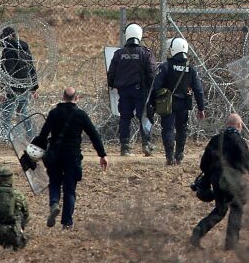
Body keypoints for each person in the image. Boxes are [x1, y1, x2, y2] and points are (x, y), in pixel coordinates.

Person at [29, 87, 108, 230]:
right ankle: (67, 223)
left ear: (63, 97)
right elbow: (93, 135)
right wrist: (102, 155)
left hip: (55, 155)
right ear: (76, 98)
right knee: (70, 190)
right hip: (72, 156)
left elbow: (43, 135)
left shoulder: (54, 113)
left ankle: (54, 203)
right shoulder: (81, 115)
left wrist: (34, 153)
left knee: (54, 183)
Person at [191, 113, 249, 251]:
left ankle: (198, 231)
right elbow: (248, 162)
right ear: (239, 125)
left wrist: (211, 176)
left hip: (216, 180)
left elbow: (203, 164)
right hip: (232, 181)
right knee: (237, 207)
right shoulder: (238, 140)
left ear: (226, 125)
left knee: (220, 209)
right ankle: (231, 245)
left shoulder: (215, 140)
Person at [151, 37, 206, 165]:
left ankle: (169, 156)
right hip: (184, 104)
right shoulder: (191, 69)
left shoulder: (166, 66)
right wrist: (201, 108)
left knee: (168, 129)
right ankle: (179, 155)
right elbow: (198, 90)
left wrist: (153, 104)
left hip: (167, 103)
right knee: (182, 129)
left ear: (173, 50)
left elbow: (156, 86)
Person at [107, 23, 155, 156]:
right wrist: (151, 90)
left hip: (123, 91)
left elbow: (111, 73)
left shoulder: (119, 54)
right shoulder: (145, 53)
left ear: (127, 35)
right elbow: (151, 73)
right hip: (140, 91)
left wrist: (114, 85)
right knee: (144, 117)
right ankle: (146, 144)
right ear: (139, 36)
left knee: (125, 117)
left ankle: (125, 147)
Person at [0, 26, 39, 137]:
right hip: (25, 87)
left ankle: (6, 138)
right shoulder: (25, 49)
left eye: (2, 37)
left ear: (9, 36)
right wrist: (34, 88)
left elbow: (8, 72)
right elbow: (32, 69)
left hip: (12, 89)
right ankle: (31, 135)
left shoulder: (9, 51)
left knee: (6, 114)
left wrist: (3, 89)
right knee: (23, 113)